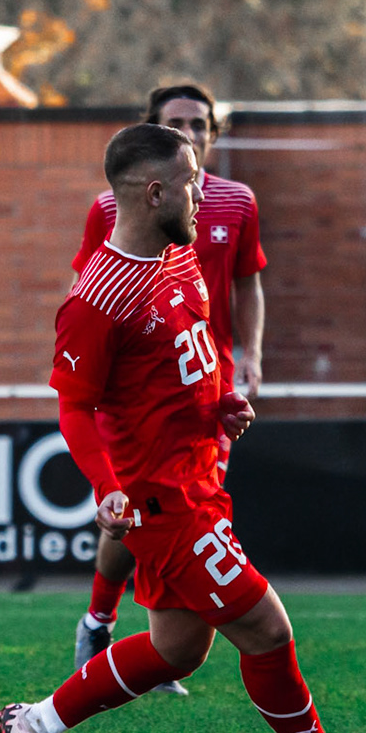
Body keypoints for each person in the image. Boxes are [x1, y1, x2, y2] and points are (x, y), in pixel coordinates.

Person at [0, 123, 366, 733]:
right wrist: (107, 487)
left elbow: (184, 359)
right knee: (267, 628)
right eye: (190, 183)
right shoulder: (95, 301)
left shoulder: (180, 258)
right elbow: (74, 408)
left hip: (200, 476)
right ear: (155, 193)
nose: (202, 196)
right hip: (163, 500)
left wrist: (219, 404)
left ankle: (31, 724)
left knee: (178, 649)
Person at [69, 83, 266, 694]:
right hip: (144, 399)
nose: (194, 133)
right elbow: (90, 292)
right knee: (146, 518)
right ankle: (99, 621)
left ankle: (154, 652)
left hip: (205, 385)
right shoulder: (116, 214)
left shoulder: (231, 205)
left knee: (180, 621)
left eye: (201, 124)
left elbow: (245, 285)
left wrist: (240, 368)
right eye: (179, 123)